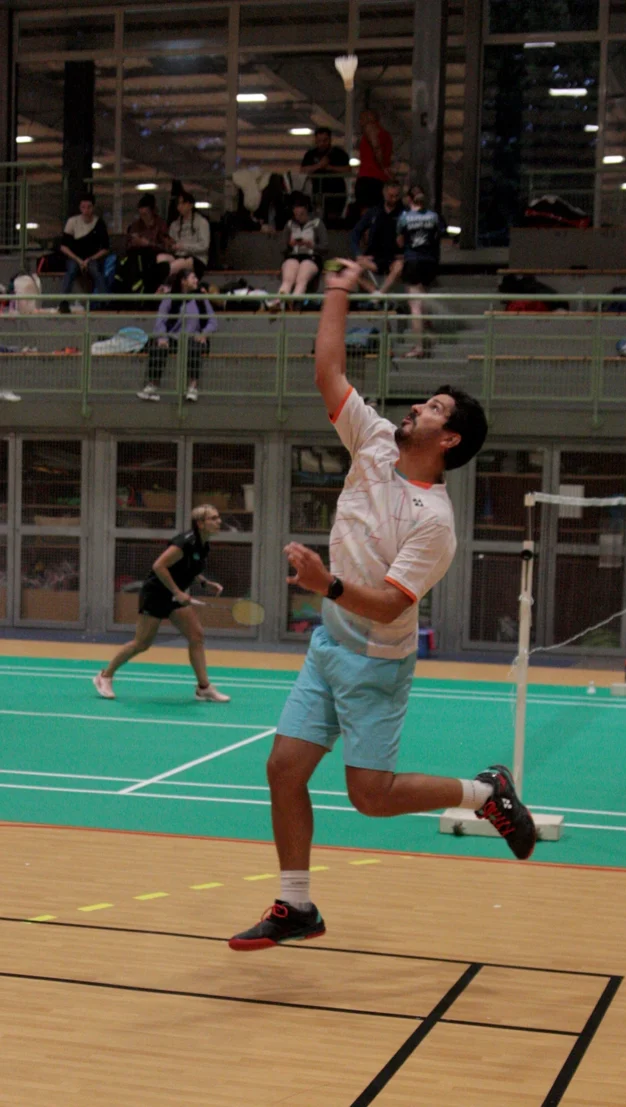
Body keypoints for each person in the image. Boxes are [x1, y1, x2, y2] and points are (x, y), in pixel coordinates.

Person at [228, 258, 536, 952]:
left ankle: (484, 792)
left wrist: (326, 584)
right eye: (424, 401)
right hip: (328, 645)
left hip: (375, 660)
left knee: (370, 796)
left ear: (448, 440)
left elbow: (393, 607)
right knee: (283, 768)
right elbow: (328, 370)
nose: (417, 407)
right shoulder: (372, 440)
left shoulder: (435, 523)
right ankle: (296, 905)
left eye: (433, 409)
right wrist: (337, 289)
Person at [93, 505, 230, 703]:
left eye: (218, 517)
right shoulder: (185, 542)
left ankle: (204, 688)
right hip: (156, 594)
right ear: (200, 523)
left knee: (196, 636)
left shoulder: (203, 544)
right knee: (142, 643)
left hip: (174, 597)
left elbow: (187, 568)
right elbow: (159, 566)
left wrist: (204, 583)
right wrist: (177, 592)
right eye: (214, 518)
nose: (219, 522)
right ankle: (105, 676)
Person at [137, 270, 217, 403]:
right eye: (193, 278)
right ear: (183, 281)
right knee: (158, 347)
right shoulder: (170, 298)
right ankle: (152, 386)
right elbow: (160, 321)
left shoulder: (201, 298)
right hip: (173, 337)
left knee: (194, 348)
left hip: (193, 337)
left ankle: (192, 387)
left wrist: (204, 333)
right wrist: (162, 338)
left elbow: (213, 321)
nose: (196, 280)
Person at [396, 185, 445, 358]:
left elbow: (400, 242)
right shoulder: (434, 216)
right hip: (430, 262)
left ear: (409, 199)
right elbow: (439, 236)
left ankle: (418, 347)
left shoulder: (404, 217)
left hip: (413, 261)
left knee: (415, 306)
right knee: (424, 297)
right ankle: (427, 329)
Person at [267, 193, 328, 311]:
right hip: (294, 255)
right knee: (288, 279)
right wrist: (290, 245)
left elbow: (325, 247)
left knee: (302, 278)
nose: (299, 217)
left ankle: (294, 301)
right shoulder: (290, 225)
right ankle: (279, 301)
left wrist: (311, 245)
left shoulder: (317, 223)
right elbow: (282, 249)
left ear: (306, 210)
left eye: (302, 214)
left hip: (311, 257)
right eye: (296, 215)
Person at [350, 180, 405, 297]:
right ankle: (374, 292)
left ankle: (380, 294)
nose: (394, 199)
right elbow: (355, 233)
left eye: (396, 196)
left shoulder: (404, 213)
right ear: (384, 193)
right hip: (374, 257)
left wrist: (406, 251)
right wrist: (358, 254)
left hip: (394, 258)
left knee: (399, 266)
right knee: (352, 269)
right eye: (391, 196)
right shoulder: (373, 212)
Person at [60, 193, 110, 299]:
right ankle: (63, 301)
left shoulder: (99, 223)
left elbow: (105, 248)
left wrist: (90, 259)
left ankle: (105, 301)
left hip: (92, 259)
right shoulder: (72, 222)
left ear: (93, 207)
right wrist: (78, 260)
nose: (86, 211)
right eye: (83, 207)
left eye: (89, 207)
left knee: (96, 272)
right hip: (75, 258)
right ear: (79, 208)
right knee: (71, 271)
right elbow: (64, 246)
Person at [300, 127, 350, 225]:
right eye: (319, 140)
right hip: (317, 192)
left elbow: (347, 170)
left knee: (333, 220)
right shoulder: (310, 154)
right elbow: (303, 170)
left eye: (325, 140)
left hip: (335, 193)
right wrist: (319, 166)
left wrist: (329, 167)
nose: (322, 143)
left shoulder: (338, 153)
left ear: (330, 139)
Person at [355, 110, 393, 214]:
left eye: (362, 119)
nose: (360, 122)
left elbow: (376, 148)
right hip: (377, 179)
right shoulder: (384, 134)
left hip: (370, 179)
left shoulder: (370, 128)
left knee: (368, 213)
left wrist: (383, 167)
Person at [167, 190, 211, 279]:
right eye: (178, 204)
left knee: (174, 266)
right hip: (178, 256)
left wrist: (183, 247)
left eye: (183, 203)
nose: (180, 206)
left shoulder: (201, 222)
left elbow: (204, 246)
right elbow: (171, 244)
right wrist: (170, 245)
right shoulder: (174, 225)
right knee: (161, 259)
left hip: (196, 259)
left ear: (190, 205)